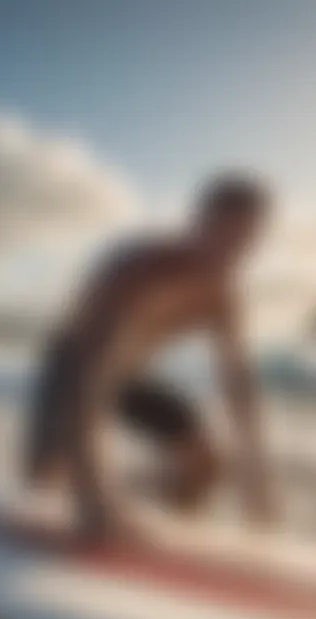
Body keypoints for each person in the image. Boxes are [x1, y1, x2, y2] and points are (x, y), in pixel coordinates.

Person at [24, 171, 275, 544]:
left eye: (244, 240)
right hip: (73, 366)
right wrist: (93, 489)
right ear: (198, 225)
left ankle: (165, 525)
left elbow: (238, 385)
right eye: (222, 234)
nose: (230, 251)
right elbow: (91, 373)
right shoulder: (138, 270)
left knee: (204, 463)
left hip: (130, 376)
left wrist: (258, 483)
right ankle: (102, 500)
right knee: (46, 488)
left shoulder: (223, 299)